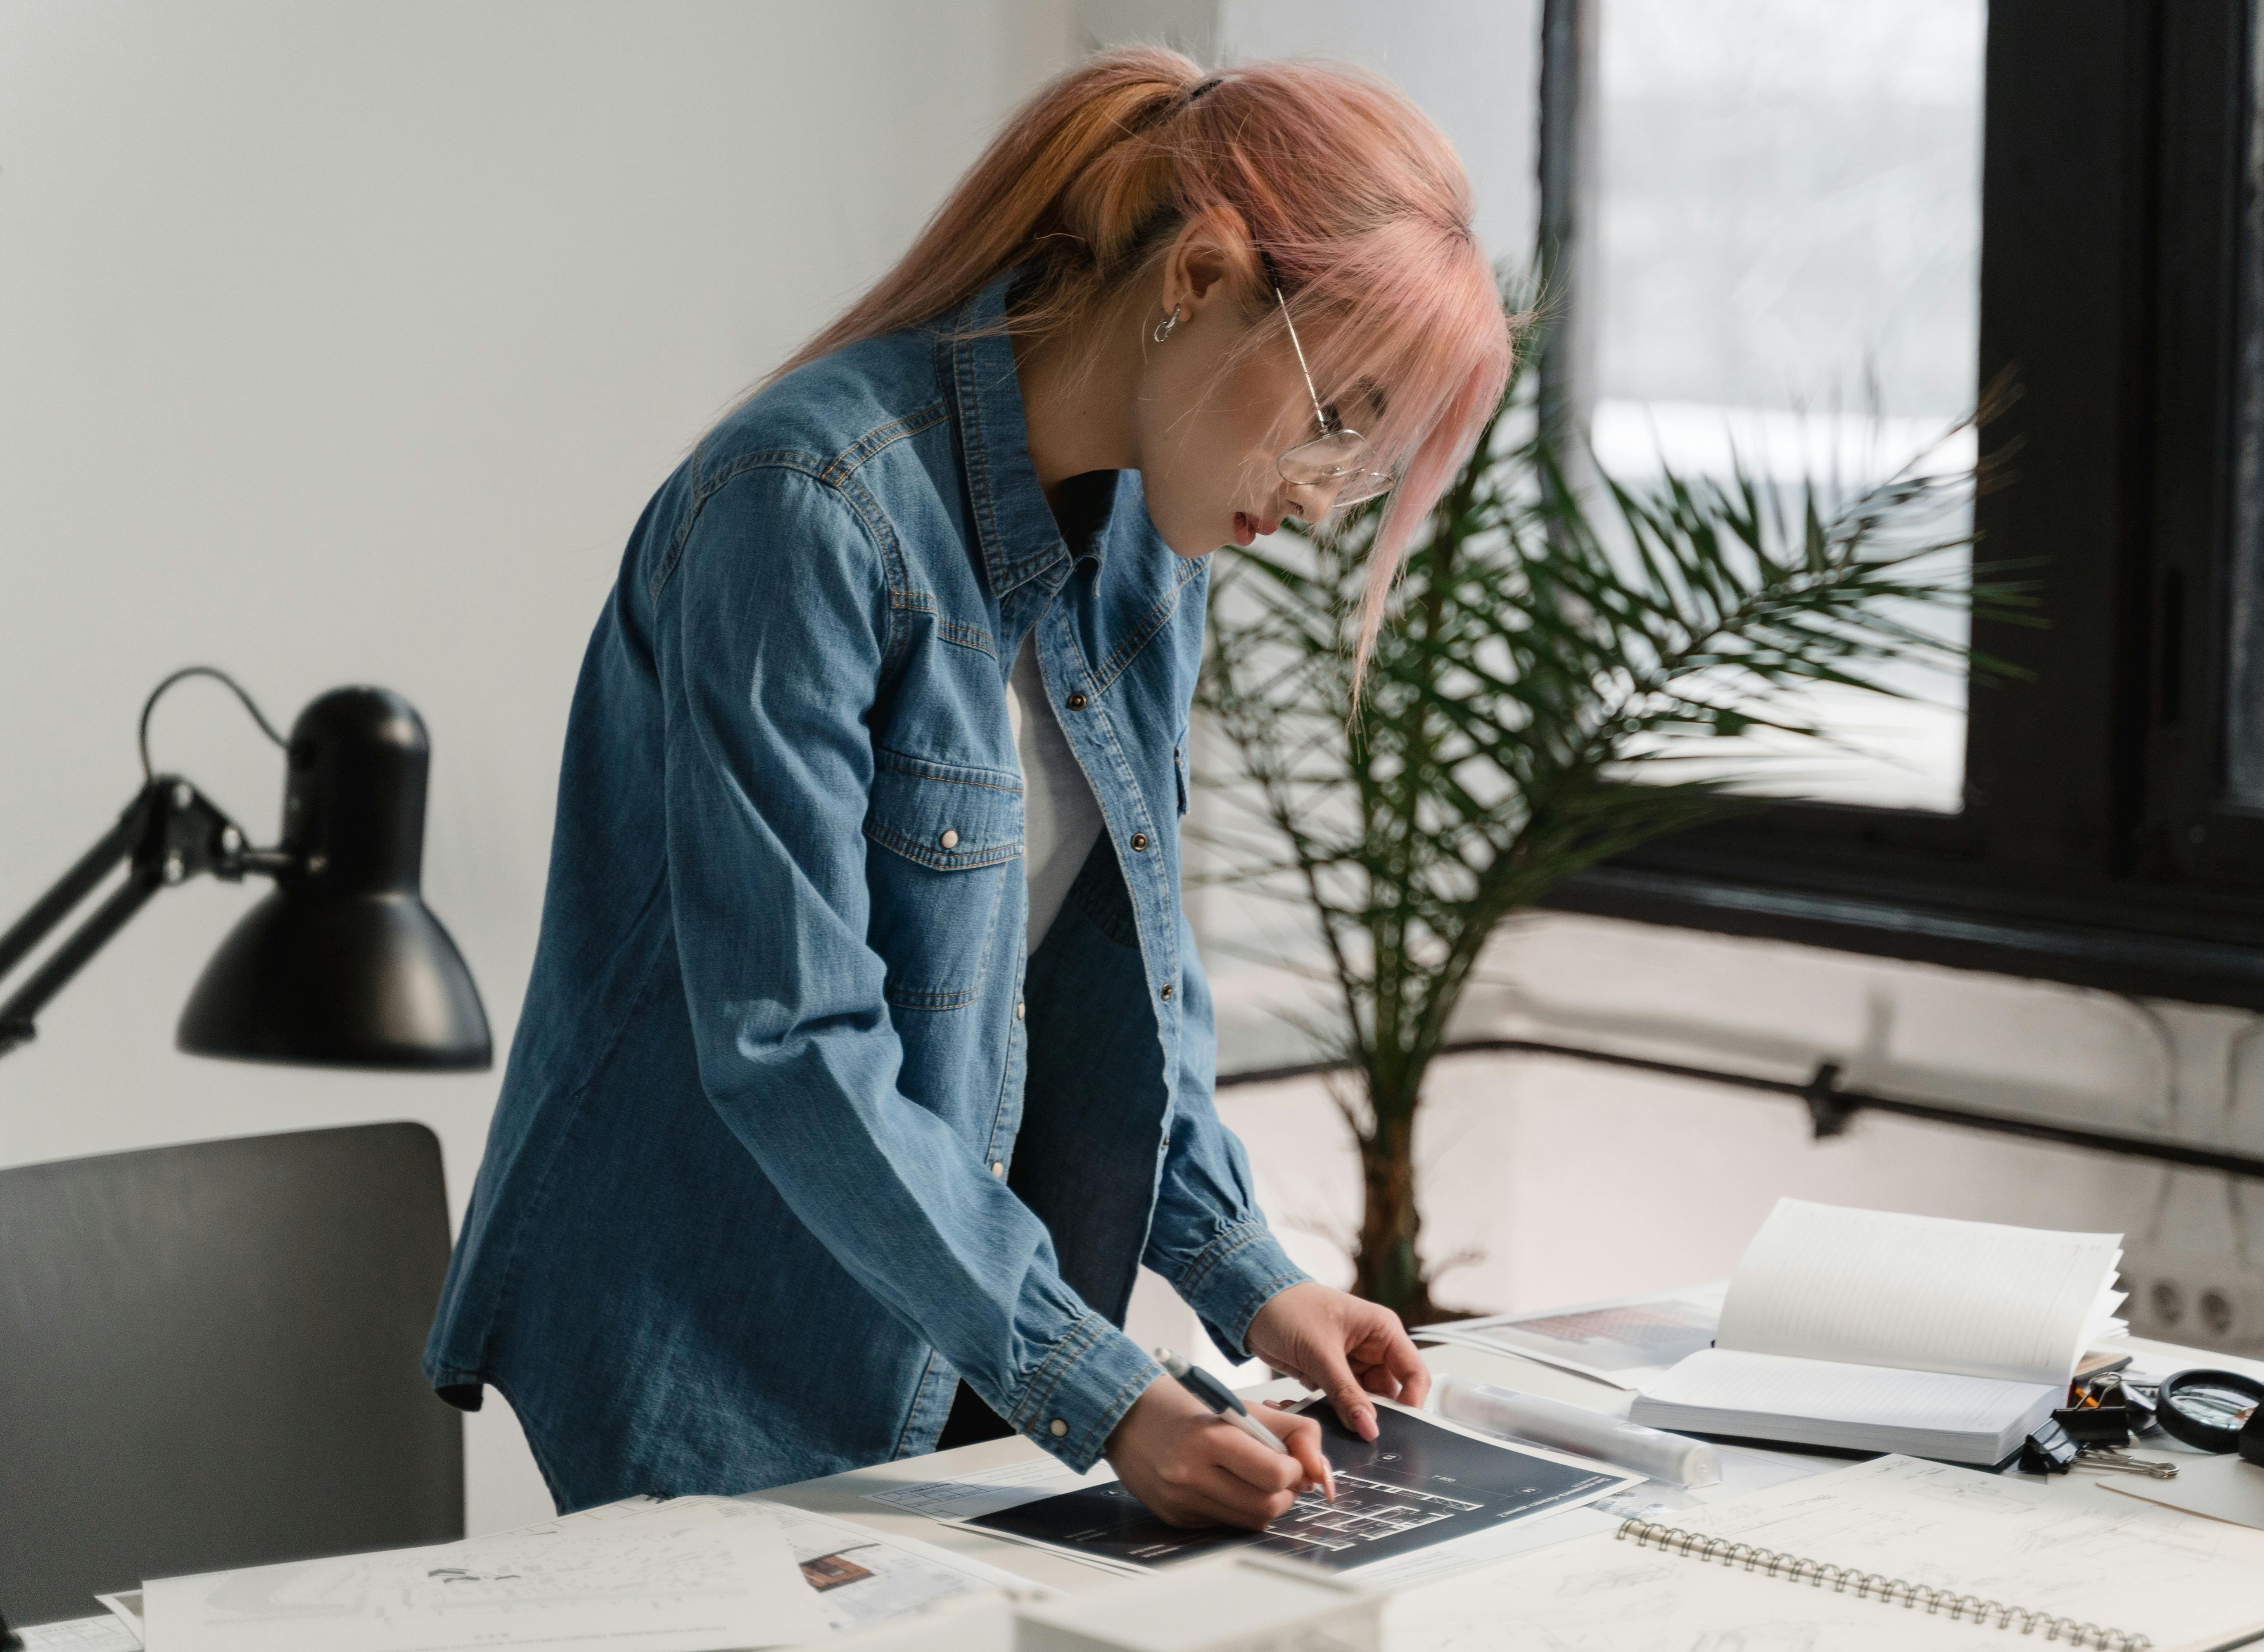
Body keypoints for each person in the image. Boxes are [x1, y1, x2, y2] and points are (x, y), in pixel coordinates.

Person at [424, 45, 1512, 1531]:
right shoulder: (800, 508)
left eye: (1366, 462)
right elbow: (789, 1037)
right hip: (713, 1339)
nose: (1324, 501)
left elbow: (1134, 979)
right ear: (1198, 276)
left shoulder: (1155, 551)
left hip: (965, 1340)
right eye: (1338, 418)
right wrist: (1104, 1382)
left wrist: (1253, 1275)